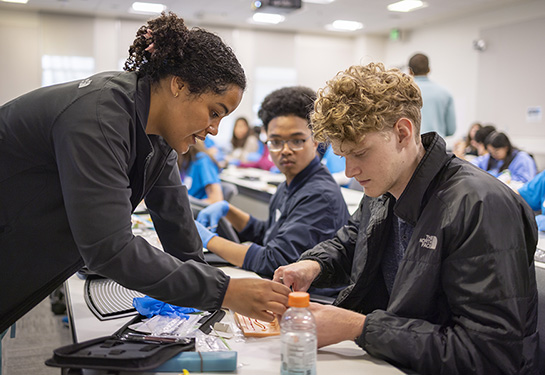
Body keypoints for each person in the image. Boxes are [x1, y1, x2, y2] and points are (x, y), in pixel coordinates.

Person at [0, 12, 291, 337]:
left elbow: (173, 215)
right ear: (179, 85)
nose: (213, 129)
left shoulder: (155, 131)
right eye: (214, 112)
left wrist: (208, 292)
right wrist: (224, 291)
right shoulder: (98, 117)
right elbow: (110, 249)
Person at [273, 62, 539, 374]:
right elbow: (354, 241)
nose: (349, 172)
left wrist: (360, 328)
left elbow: (487, 354)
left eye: (359, 153)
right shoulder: (385, 186)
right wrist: (313, 265)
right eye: (343, 156)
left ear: (402, 132)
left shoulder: (480, 206)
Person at [194, 86, 350, 289]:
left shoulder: (319, 194)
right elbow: (268, 233)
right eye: (275, 142)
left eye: (296, 140)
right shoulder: (290, 183)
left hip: (308, 302)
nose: (285, 151)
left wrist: (209, 240)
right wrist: (227, 210)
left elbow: (275, 260)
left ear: (316, 140)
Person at [408, 53, 456, 137]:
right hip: (436, 146)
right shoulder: (445, 93)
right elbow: (451, 130)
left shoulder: (403, 92)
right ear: (429, 69)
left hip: (410, 145)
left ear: (409, 71)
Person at [472, 131, 537, 184]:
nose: (493, 155)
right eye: (491, 152)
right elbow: (475, 163)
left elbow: (527, 183)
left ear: (506, 148)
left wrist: (502, 178)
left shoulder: (522, 159)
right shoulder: (492, 158)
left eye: (496, 152)